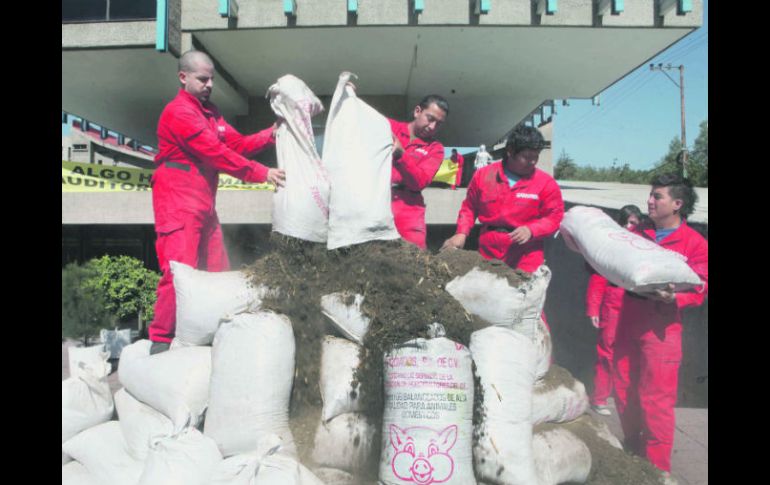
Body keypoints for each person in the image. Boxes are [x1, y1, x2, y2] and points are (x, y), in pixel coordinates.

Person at [147, 50, 286, 354]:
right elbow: (216, 154)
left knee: (217, 270)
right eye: (203, 78)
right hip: (178, 200)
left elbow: (236, 144)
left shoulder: (212, 113)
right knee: (179, 271)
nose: (210, 84)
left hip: (204, 203)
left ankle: (216, 333)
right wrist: (262, 172)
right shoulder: (179, 113)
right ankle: (160, 340)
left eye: (212, 79)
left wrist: (270, 134)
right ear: (183, 78)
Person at [612, 174, 707, 473]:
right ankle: (633, 449)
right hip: (628, 319)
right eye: (650, 195)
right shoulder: (635, 234)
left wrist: (676, 299)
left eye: (658, 196)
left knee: (655, 401)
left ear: (677, 204)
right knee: (623, 387)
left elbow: (701, 286)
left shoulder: (695, 243)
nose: (650, 201)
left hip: (662, 329)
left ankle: (656, 472)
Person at [440, 125, 564, 274]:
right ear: (510, 151)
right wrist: (461, 233)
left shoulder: (546, 183)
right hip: (489, 250)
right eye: (526, 157)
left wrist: (531, 230)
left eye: (535, 157)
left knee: (521, 295)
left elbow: (554, 217)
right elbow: (469, 208)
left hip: (526, 255)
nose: (532, 162)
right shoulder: (484, 176)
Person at [585, 204, 643, 416]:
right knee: (607, 351)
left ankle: (625, 398)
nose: (630, 227)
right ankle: (599, 398)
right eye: (627, 222)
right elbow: (599, 277)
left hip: (636, 303)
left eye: (634, 223)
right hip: (613, 301)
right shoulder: (611, 245)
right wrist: (593, 308)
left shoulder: (642, 244)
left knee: (630, 354)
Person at [389, 95, 449, 249]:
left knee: (414, 261)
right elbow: (359, 120)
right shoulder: (389, 127)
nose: (432, 127)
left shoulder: (435, 149)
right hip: (377, 201)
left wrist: (402, 155)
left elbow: (420, 181)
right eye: (430, 118)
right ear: (417, 111)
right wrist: (348, 98)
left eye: (439, 124)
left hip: (409, 210)